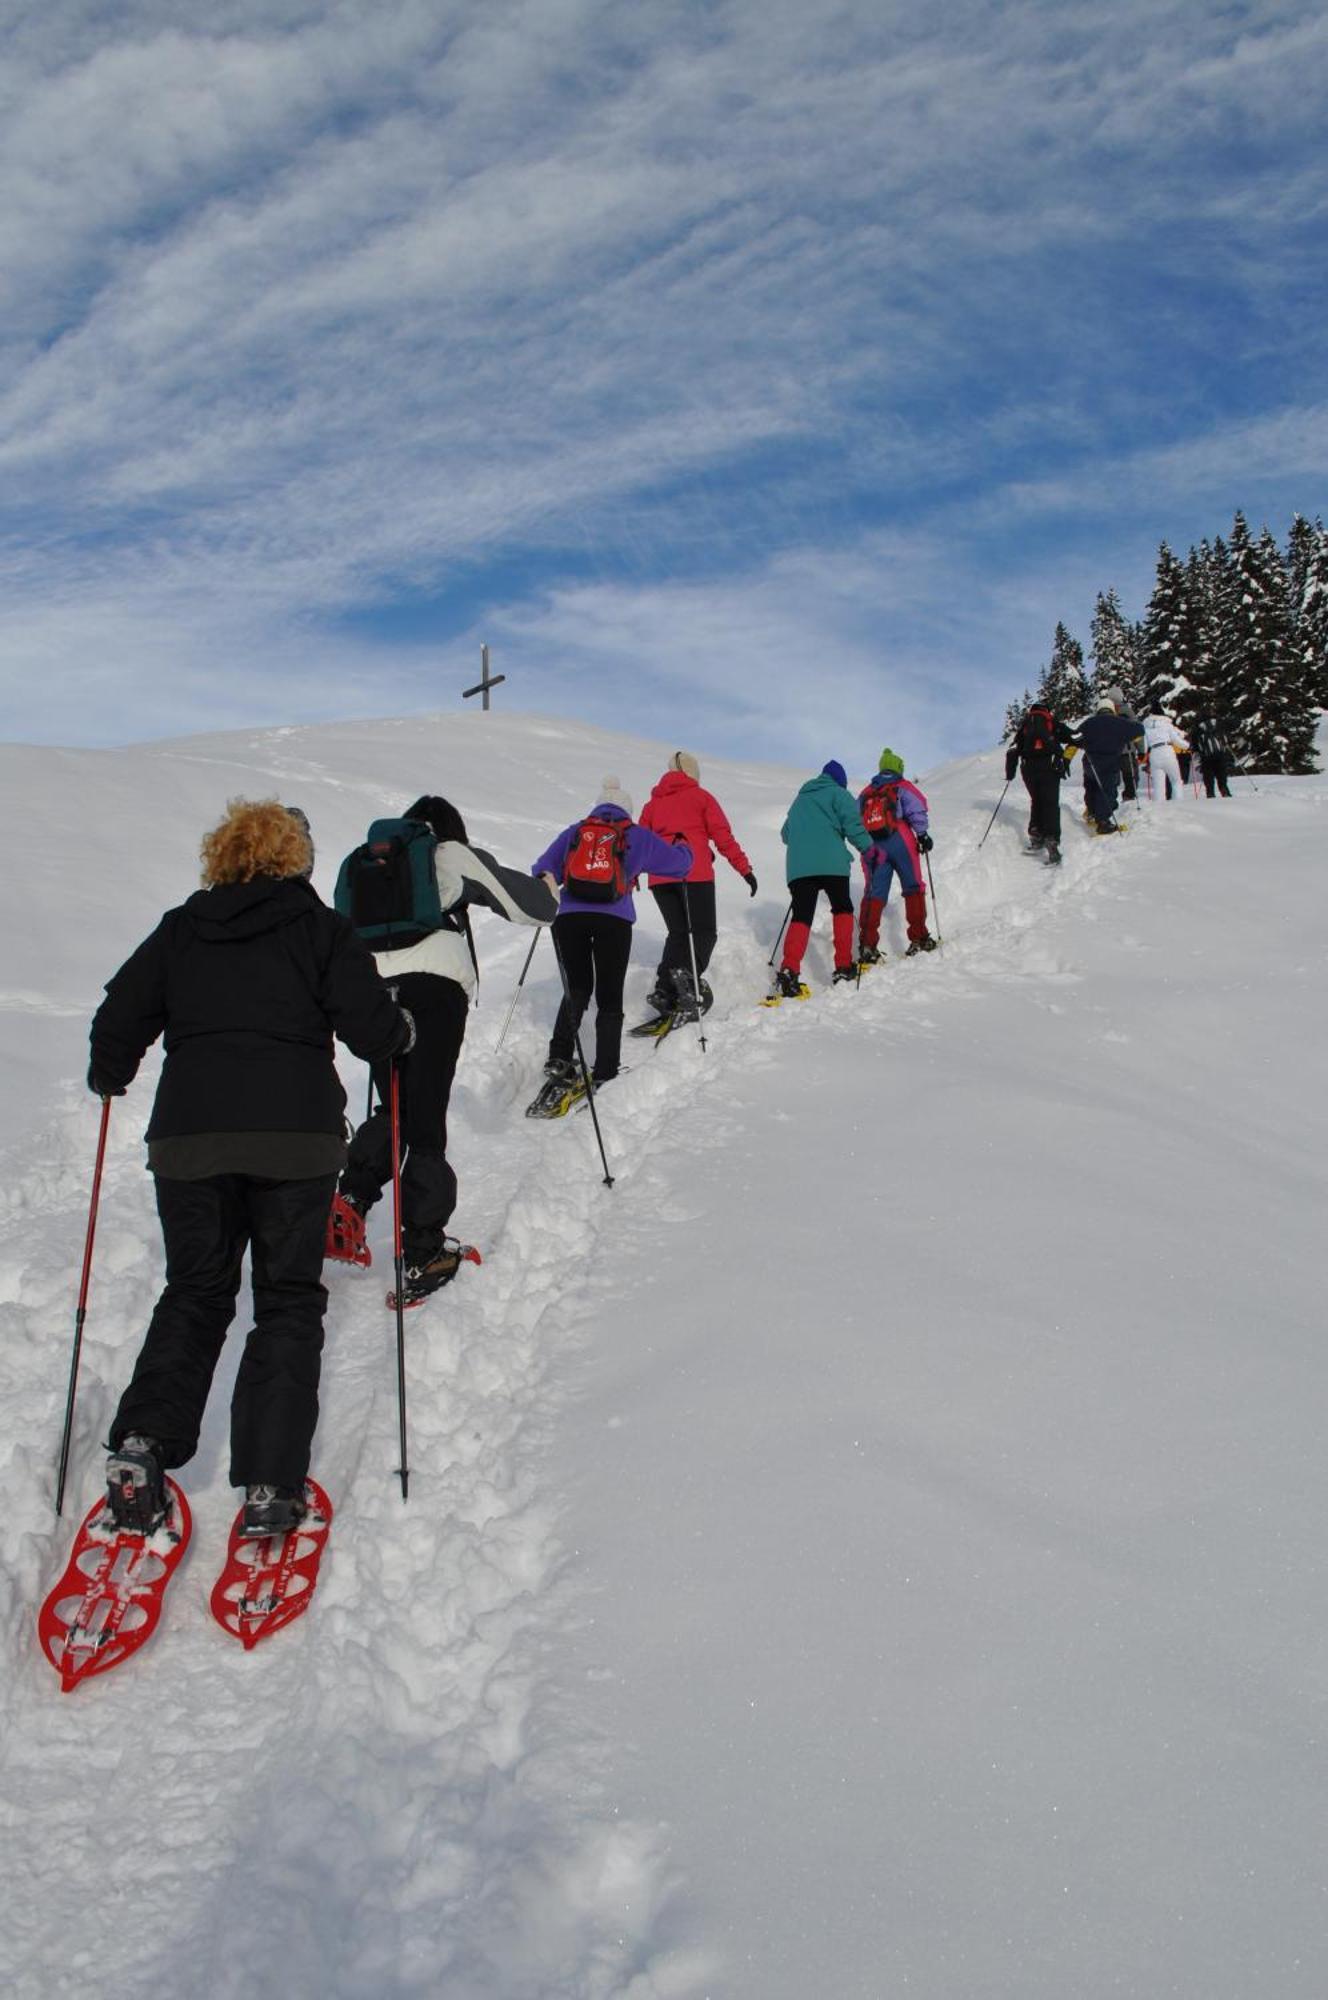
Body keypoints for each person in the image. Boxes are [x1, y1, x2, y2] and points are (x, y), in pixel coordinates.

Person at [88, 798, 412, 1539]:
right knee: (287, 1302)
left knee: (196, 1290)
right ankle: (270, 1483)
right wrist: (402, 1030)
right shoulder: (320, 931)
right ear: (295, 858)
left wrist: (111, 1073)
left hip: (190, 1142)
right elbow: (374, 1033)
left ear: (223, 855)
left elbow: (116, 1018)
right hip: (293, 1144)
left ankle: (141, 1444)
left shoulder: (181, 928)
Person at [331, 796, 556, 1297]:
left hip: (372, 993)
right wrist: (548, 892)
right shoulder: (447, 853)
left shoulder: (363, 860)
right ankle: (423, 1251)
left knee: (395, 1105)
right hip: (434, 989)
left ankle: (350, 1197)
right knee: (426, 1117)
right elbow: (530, 907)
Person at [528, 778, 692, 1113]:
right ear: (627, 810)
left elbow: (542, 868)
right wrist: (684, 846)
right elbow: (679, 865)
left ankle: (559, 1057)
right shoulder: (636, 836)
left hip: (569, 917)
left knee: (576, 987)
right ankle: (605, 1068)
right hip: (614, 920)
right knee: (609, 993)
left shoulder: (576, 832)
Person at [637, 750, 755, 1021]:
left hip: (660, 878)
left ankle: (664, 989)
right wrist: (745, 869)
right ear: (693, 774)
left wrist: (632, 877)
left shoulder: (652, 805)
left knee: (677, 934)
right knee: (704, 933)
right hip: (695, 874)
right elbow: (723, 837)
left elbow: (639, 844)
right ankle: (687, 978)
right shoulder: (702, 797)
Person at [773, 761, 874, 996]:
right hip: (832, 864)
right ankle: (843, 966)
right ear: (840, 780)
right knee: (842, 908)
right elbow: (853, 826)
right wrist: (869, 850)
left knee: (802, 916)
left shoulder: (800, 799)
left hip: (799, 869)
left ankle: (789, 970)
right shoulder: (839, 794)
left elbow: (785, 834)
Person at [856, 749, 937, 953]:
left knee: (874, 892)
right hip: (900, 838)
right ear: (898, 768)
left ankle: (867, 944)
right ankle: (919, 938)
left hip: (873, 845)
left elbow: (855, 819)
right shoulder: (902, 786)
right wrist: (922, 834)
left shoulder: (866, 792)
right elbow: (917, 808)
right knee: (913, 886)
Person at [1004, 703, 1075, 865]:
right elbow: (1074, 737)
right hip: (1049, 766)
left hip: (1028, 769)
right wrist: (1068, 755)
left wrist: (1010, 774)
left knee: (1036, 800)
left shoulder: (1024, 727)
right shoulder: (1052, 723)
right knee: (1050, 802)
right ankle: (1051, 839)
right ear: (1046, 711)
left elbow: (1012, 751)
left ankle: (1036, 835)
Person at [1073, 700, 1146, 834]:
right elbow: (1140, 731)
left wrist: (1066, 759)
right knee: (1107, 790)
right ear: (1112, 710)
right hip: (1108, 762)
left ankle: (1091, 813)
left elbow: (1074, 739)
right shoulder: (1120, 722)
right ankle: (1103, 822)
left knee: (1092, 787)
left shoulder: (1089, 722)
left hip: (1089, 764)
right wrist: (1128, 737)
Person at [1142, 703, 1189, 803]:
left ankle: (1160, 811)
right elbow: (1176, 741)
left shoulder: (1146, 727)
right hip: (1167, 751)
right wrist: (1187, 746)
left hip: (1154, 754)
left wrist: (1141, 756)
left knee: (1159, 786)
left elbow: (1144, 746)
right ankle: (1178, 803)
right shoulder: (1167, 725)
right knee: (1176, 781)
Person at [1105, 686, 1141, 801]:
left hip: (1111, 751)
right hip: (1127, 750)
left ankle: (1110, 800)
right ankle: (1129, 797)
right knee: (1130, 777)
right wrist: (1141, 750)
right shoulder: (1128, 711)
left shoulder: (1106, 711)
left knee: (1112, 778)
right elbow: (1137, 732)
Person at [1192, 711, 1233, 798]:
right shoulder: (1218, 724)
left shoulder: (1198, 728)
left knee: (1209, 777)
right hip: (1220, 754)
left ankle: (1210, 793)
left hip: (1206, 757)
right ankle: (1224, 791)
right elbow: (1225, 738)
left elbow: (1195, 745)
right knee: (1221, 774)